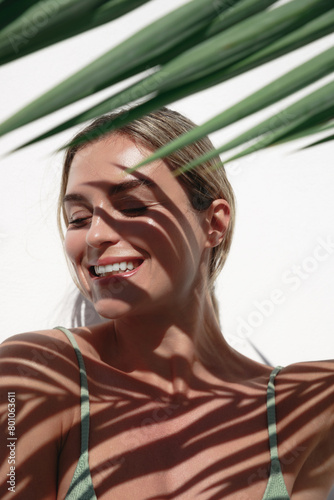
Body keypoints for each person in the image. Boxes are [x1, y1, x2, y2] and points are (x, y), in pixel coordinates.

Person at [0, 107, 333, 500]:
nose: (94, 236)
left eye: (133, 207)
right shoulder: (35, 372)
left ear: (214, 223)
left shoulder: (311, 398)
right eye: (78, 217)